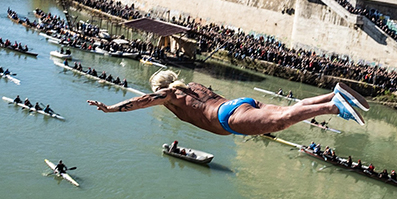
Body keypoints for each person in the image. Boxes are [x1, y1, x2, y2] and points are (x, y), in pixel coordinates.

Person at [88, 70, 368, 136]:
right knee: (287, 110)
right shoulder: (192, 85)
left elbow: (140, 102)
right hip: (239, 103)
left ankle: (335, 107)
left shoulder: (170, 96)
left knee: (283, 121)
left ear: (160, 89)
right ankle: (332, 94)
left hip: (227, 119)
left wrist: (109, 108)